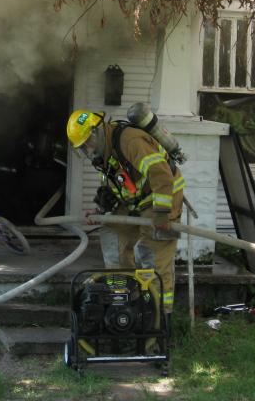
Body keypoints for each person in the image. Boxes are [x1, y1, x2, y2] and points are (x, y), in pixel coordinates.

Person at [66, 109, 184, 316]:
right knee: (112, 232)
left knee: (151, 254)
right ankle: (124, 299)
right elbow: (122, 186)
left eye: (86, 144)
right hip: (137, 203)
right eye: (82, 148)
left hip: (162, 198)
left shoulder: (130, 142)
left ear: (96, 132)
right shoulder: (106, 153)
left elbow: (162, 176)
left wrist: (162, 213)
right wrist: (103, 211)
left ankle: (158, 317)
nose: (87, 150)